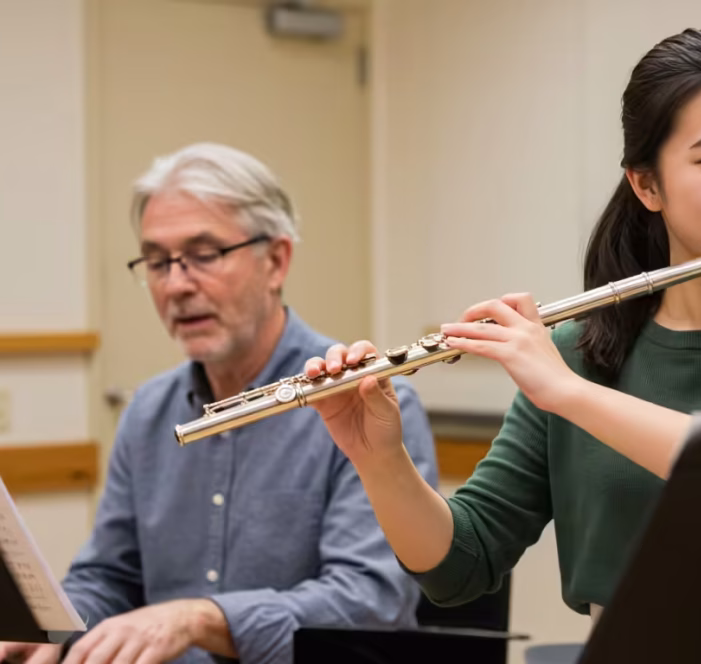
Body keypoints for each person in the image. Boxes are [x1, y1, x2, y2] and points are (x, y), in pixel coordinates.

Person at [302, 26, 701, 627]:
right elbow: (459, 568)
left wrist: (570, 394)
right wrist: (380, 460)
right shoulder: (577, 356)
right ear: (647, 184)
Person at [0, 143, 438, 664]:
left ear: (276, 261)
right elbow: (109, 577)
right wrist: (48, 629)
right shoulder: (147, 411)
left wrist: (200, 619)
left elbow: (368, 604)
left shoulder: (370, 404)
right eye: (157, 262)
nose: (176, 285)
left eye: (204, 255)